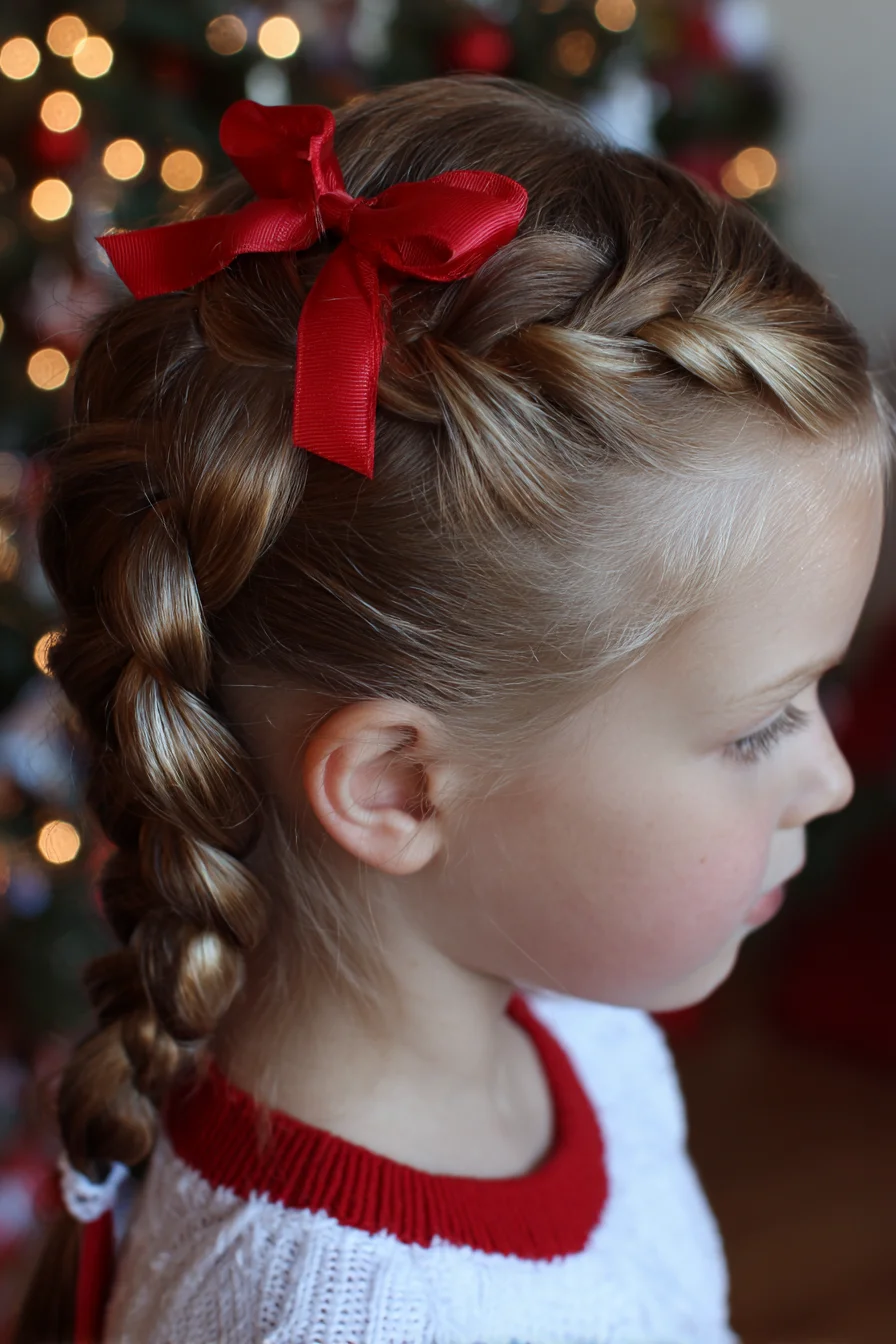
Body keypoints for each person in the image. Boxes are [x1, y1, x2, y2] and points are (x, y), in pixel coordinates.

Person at [15, 74, 893, 1344]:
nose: (830, 775)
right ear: (397, 787)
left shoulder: (570, 1024)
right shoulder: (340, 1318)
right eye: (758, 725)